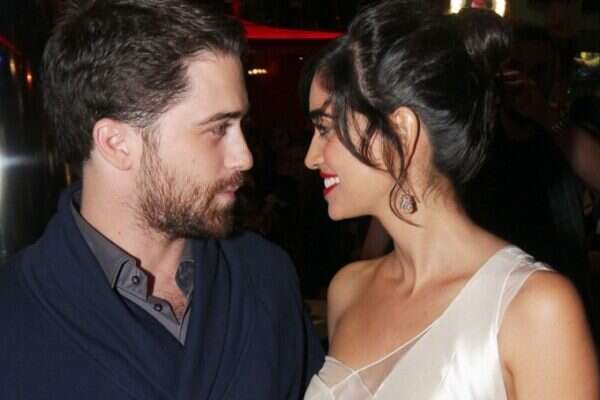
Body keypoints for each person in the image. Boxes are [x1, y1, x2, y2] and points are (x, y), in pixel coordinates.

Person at [0, 1, 323, 398]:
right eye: (217, 128)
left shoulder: (266, 277)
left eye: (242, 125)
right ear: (117, 143)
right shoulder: (14, 318)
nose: (244, 157)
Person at [301, 1, 599, 398]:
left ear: (402, 131)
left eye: (325, 128)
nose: (310, 157)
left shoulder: (535, 309)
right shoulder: (348, 291)